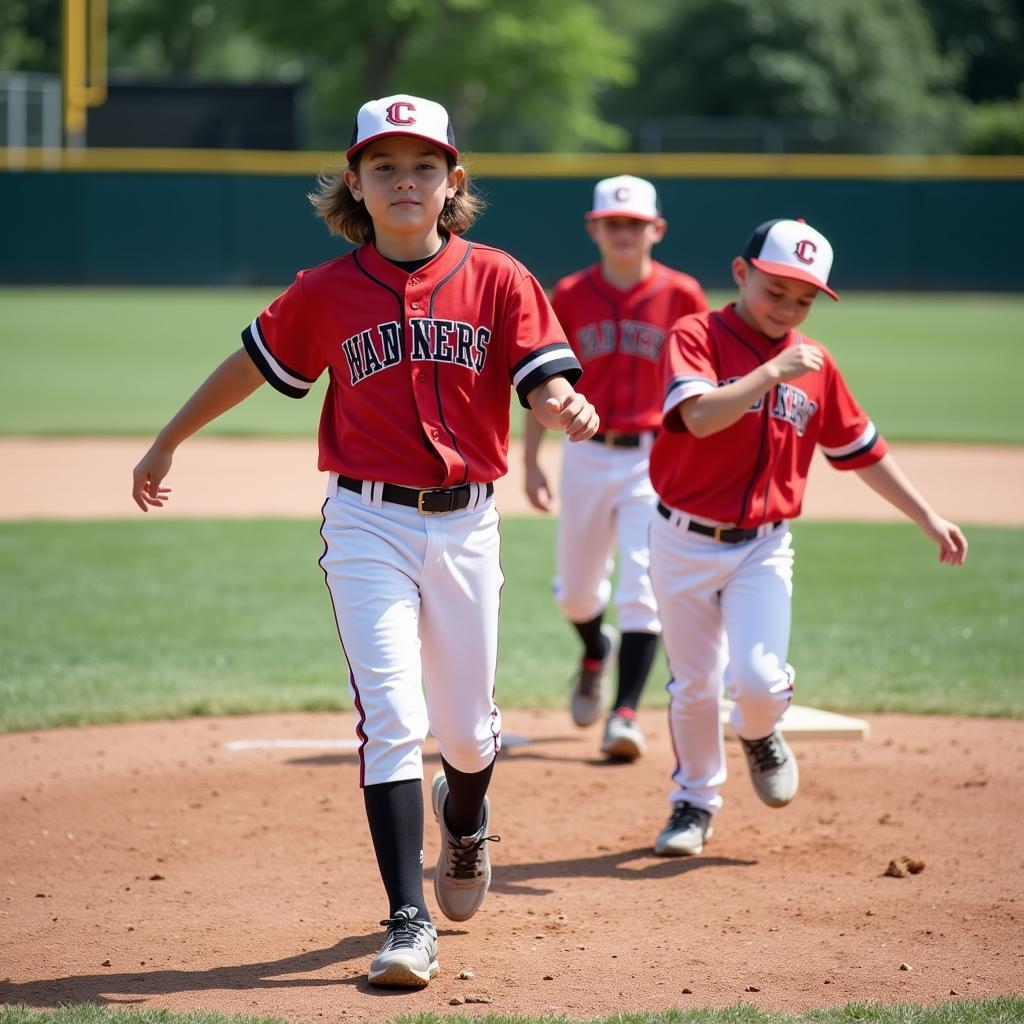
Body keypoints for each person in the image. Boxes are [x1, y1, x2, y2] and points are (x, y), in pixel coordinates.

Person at [131, 94, 598, 986]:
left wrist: (561, 401)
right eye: (384, 166)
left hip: (467, 525)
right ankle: (406, 919)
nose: (405, 180)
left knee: (466, 734)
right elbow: (254, 361)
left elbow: (542, 375)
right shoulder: (327, 291)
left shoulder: (500, 277)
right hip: (365, 522)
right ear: (356, 181)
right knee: (392, 716)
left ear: (452, 180)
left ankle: (464, 819)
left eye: (424, 165)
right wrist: (167, 439)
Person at [647, 217, 968, 856]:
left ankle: (761, 731)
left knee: (760, 685)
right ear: (741, 274)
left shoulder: (816, 366)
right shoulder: (697, 335)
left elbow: (861, 449)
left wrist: (927, 515)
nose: (789, 308)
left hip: (764, 545)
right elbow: (700, 417)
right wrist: (772, 373)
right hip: (680, 539)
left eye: (804, 299)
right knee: (694, 685)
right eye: (776, 291)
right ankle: (694, 803)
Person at [523, 175, 707, 761]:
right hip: (584, 450)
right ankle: (593, 650)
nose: (624, 233)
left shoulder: (683, 295)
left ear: (657, 229)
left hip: (654, 457)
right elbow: (540, 385)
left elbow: (703, 384)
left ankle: (624, 714)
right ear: (594, 228)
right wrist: (529, 460)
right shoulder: (571, 295)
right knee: (576, 594)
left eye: (635, 224)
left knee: (643, 590)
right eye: (613, 223)